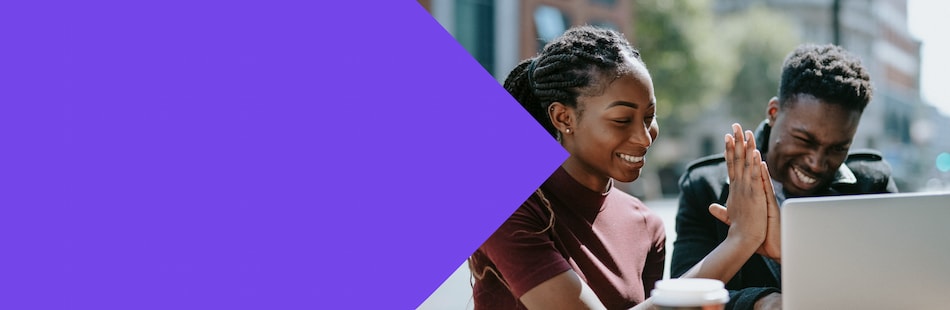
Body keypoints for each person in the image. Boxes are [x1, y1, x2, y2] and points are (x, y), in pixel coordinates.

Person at [469, 25, 776, 310]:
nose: (644, 138)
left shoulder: (646, 226)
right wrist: (739, 241)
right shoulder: (509, 206)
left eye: (649, 117)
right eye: (622, 120)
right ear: (563, 118)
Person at [671, 43, 899, 310]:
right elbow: (679, 298)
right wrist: (760, 302)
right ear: (773, 113)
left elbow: (889, 290)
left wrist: (791, 255)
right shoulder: (705, 187)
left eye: (838, 148)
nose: (816, 163)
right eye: (804, 139)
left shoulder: (871, 186)